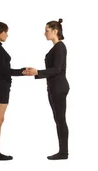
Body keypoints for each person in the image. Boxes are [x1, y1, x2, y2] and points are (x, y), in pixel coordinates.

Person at [22, 18, 69, 160]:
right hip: (54, 87)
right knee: (58, 119)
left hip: (59, 87)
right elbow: (53, 69)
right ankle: (63, 151)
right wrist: (37, 73)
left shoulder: (60, 47)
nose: (44, 33)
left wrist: (38, 72)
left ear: (55, 31)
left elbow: (56, 69)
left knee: (60, 119)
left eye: (47, 31)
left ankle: (64, 152)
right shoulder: (56, 47)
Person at [0, 22, 27, 161]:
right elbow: (2, 70)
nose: (7, 35)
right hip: (0, 85)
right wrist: (22, 72)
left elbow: (3, 69)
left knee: (0, 119)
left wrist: (21, 71)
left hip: (2, 85)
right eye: (5, 32)